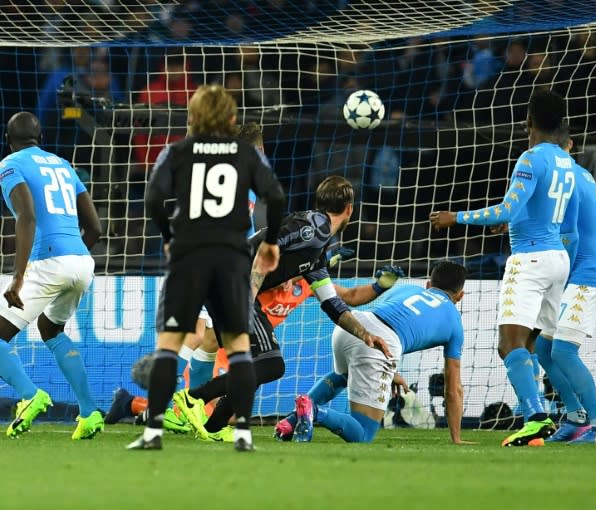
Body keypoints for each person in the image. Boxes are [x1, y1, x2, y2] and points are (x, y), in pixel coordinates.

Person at [172, 176, 394, 441]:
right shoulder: (314, 226)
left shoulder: (317, 255)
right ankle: (192, 397)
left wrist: (364, 334)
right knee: (271, 365)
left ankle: (212, 428)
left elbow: (333, 304)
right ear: (349, 209)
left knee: (257, 366)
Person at [126, 84, 286, 452]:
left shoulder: (178, 151)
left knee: (169, 345)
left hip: (189, 255)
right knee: (239, 347)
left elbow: (153, 196)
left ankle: (153, 433)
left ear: (193, 117)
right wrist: (273, 240)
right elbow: (275, 196)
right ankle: (243, 434)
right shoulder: (246, 155)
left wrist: (167, 235)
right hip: (231, 258)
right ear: (231, 119)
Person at [430, 90, 573, 447]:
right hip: (557, 259)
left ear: (528, 119)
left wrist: (455, 217)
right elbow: (534, 210)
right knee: (532, 344)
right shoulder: (565, 161)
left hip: (530, 261)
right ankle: (551, 417)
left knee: (509, 346)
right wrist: (513, 221)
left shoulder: (530, 158)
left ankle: (537, 419)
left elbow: (507, 210)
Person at [0, 111, 103, 439]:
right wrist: (74, 256)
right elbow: (95, 228)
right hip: (81, 261)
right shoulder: (63, 164)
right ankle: (89, 413)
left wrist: (19, 276)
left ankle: (31, 395)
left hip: (47, 262)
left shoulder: (9, 164)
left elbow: (27, 216)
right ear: (40, 137)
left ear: (8, 140)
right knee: (51, 329)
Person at [275, 260, 472, 444]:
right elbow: (453, 389)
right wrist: (456, 437)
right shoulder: (455, 323)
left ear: (428, 284)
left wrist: (390, 372)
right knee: (363, 433)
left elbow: (386, 320)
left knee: (343, 376)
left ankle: (289, 422)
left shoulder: (408, 289)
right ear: (460, 296)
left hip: (352, 325)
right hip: (378, 344)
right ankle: (315, 412)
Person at [535, 128, 596, 444]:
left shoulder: (567, 182)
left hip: (584, 275)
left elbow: (571, 236)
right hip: (579, 271)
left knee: (564, 351)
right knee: (544, 347)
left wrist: (556, 277)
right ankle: (574, 416)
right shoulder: (579, 175)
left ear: (567, 147)